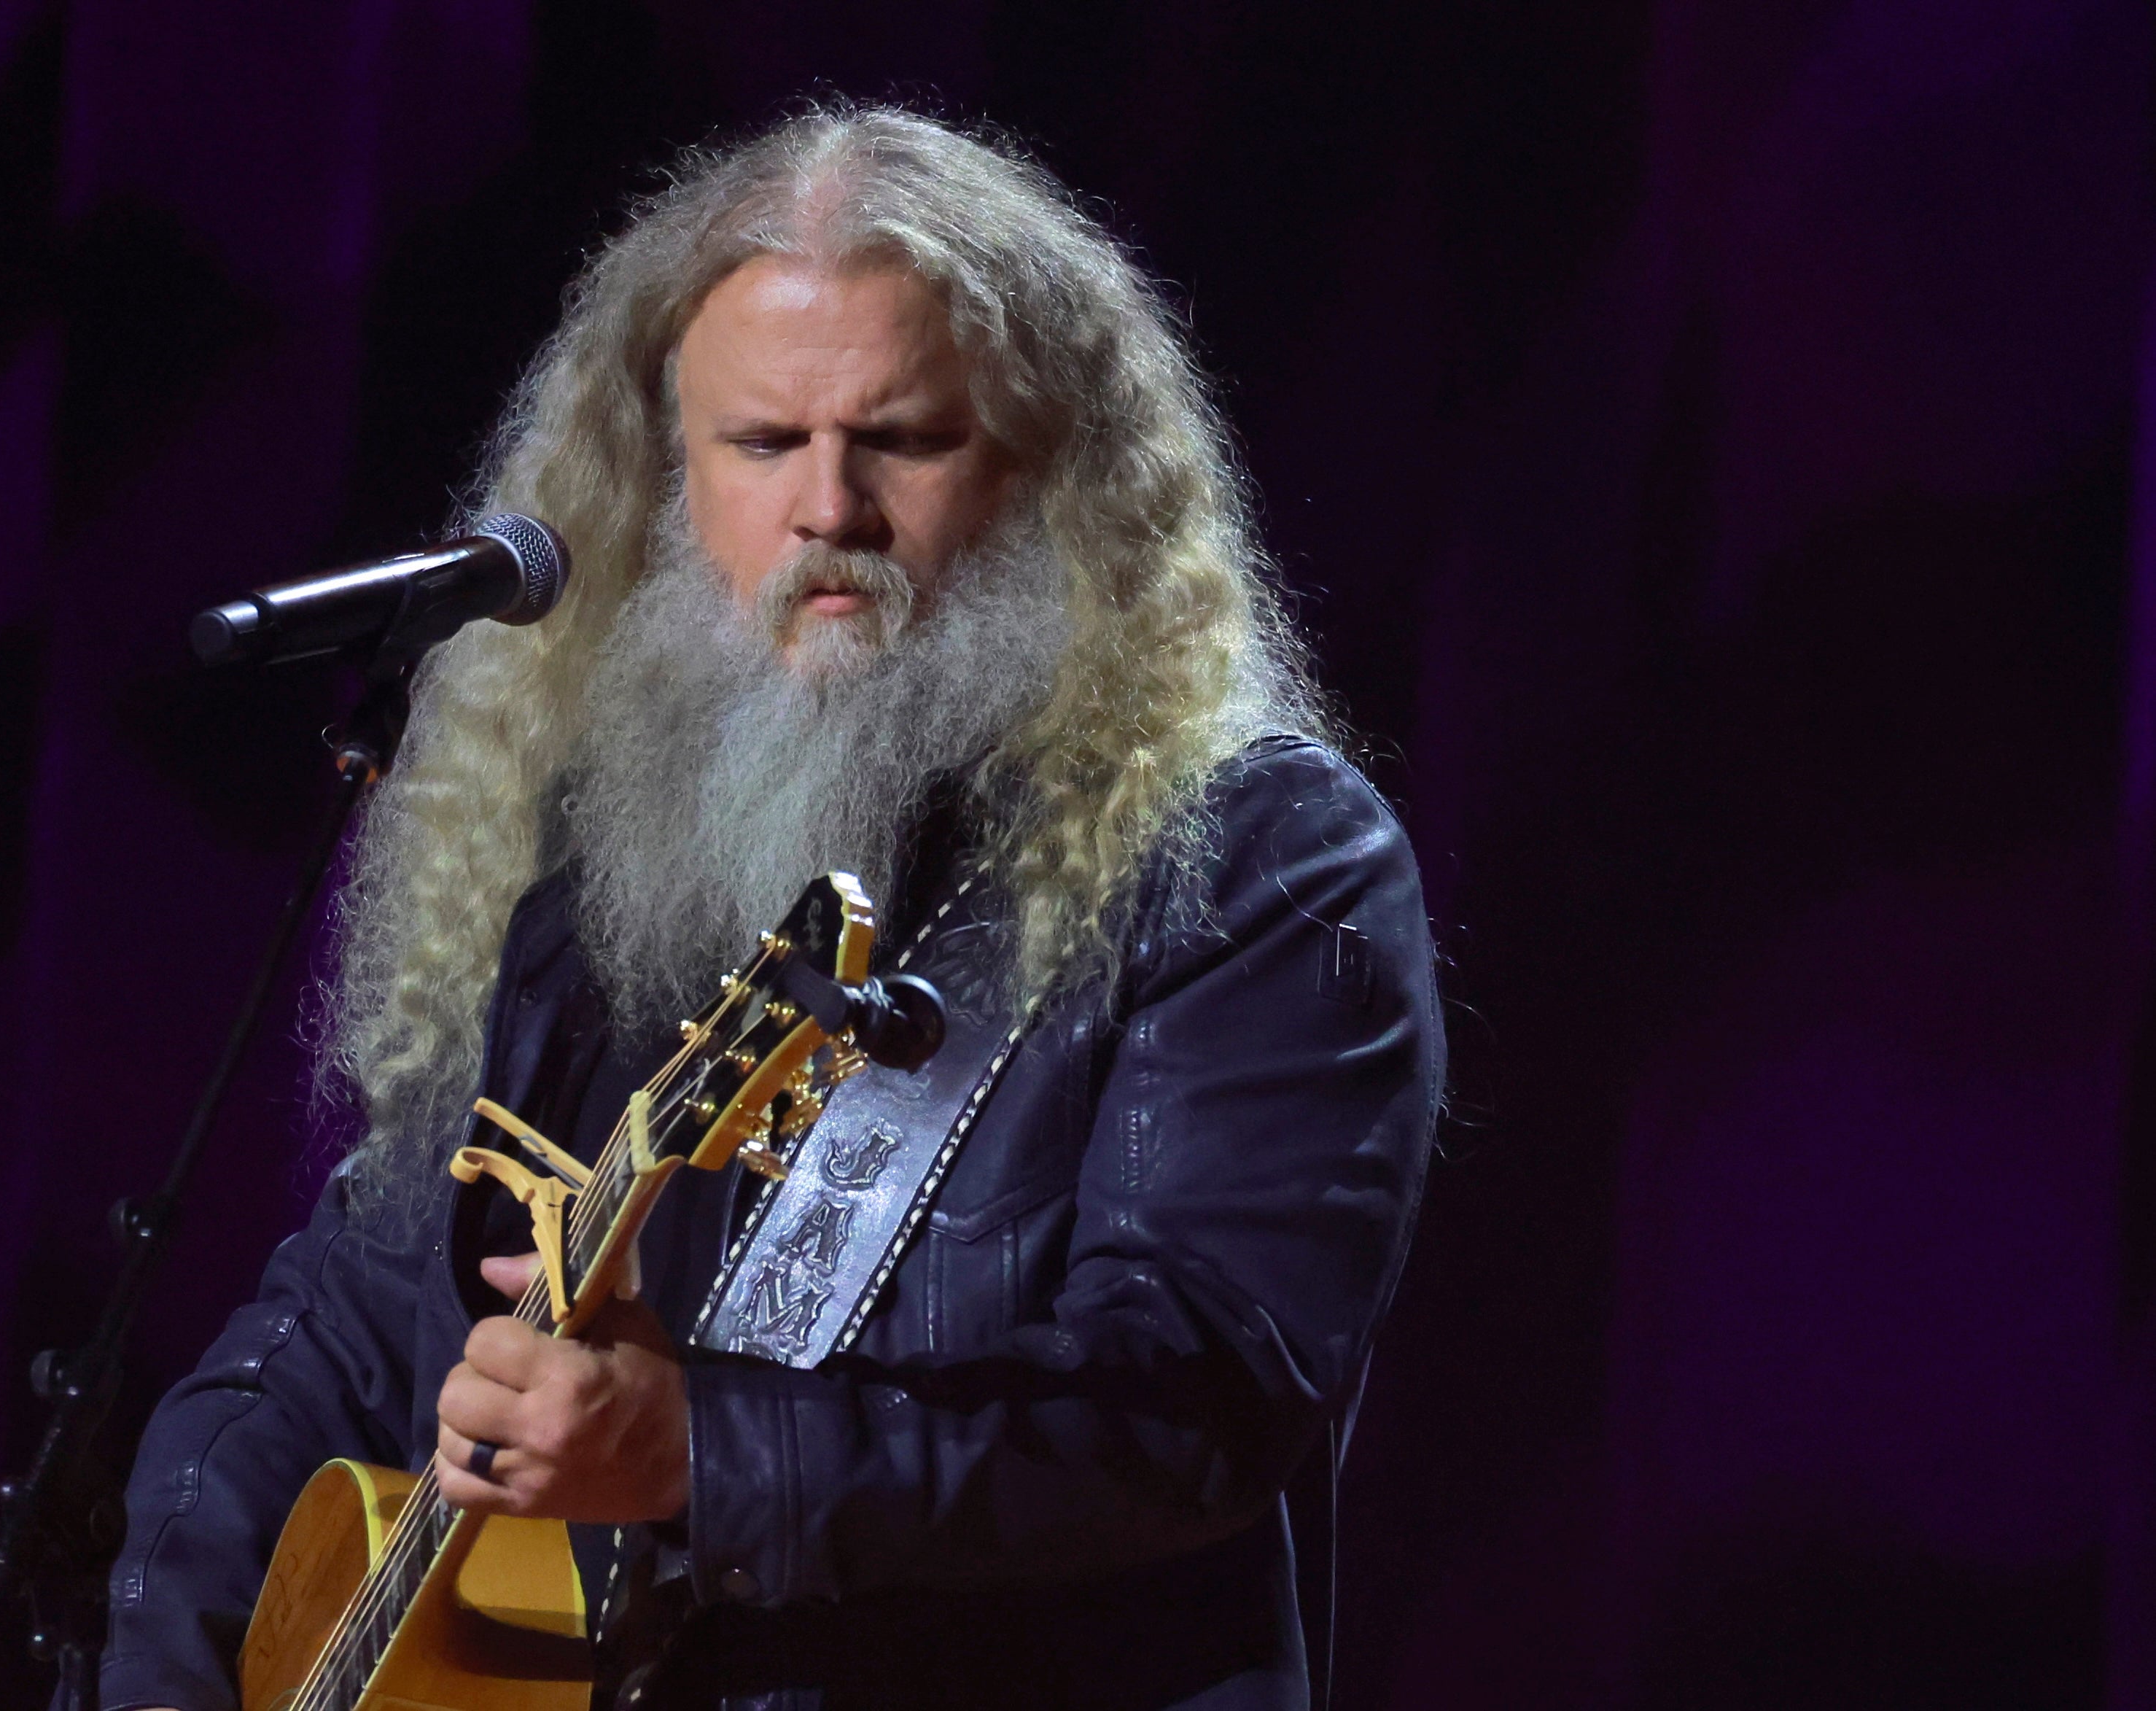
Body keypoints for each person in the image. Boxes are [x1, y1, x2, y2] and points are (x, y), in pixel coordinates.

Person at [97, 105, 1441, 1711]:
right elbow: (343, 1321)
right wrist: (167, 1671)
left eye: (903, 439)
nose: (828, 509)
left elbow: (1191, 1401)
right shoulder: (617, 867)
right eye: (762, 446)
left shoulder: (1248, 856)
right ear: (671, 486)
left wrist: (701, 1454)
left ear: (1044, 479)